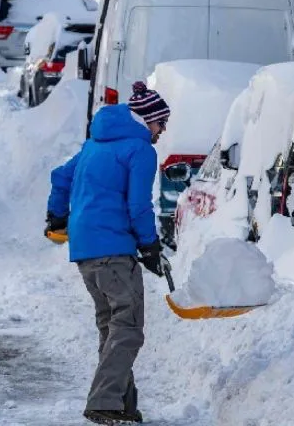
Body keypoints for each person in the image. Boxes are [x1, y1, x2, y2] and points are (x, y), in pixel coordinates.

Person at [45, 81, 170, 425]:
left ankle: (123, 403)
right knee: (128, 327)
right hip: (114, 248)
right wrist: (149, 243)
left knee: (112, 326)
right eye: (162, 123)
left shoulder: (94, 144)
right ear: (147, 121)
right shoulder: (140, 150)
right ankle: (103, 401)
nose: (162, 131)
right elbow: (138, 204)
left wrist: (57, 215)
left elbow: (60, 177)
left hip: (85, 249)